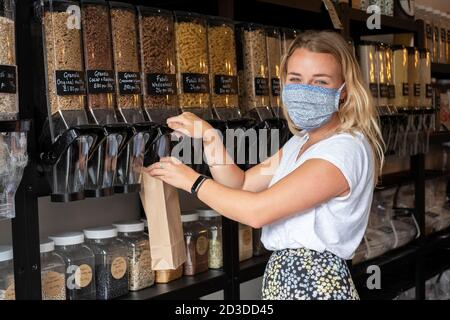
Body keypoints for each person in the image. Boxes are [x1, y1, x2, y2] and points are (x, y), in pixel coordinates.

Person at [145, 30, 384, 300]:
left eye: (320, 82)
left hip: (316, 286)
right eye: (296, 79)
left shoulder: (343, 150)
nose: (305, 90)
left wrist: (193, 182)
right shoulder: (302, 141)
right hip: (290, 283)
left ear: (344, 91)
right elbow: (243, 184)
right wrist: (210, 137)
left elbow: (257, 212)